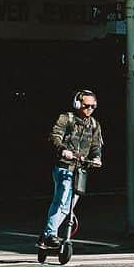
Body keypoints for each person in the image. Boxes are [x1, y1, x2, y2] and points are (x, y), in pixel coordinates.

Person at [40, 89, 103, 245]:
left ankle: (46, 235)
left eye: (93, 106)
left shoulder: (94, 124)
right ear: (77, 104)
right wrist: (63, 150)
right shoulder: (66, 118)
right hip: (64, 167)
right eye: (86, 105)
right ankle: (50, 235)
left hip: (80, 169)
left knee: (70, 205)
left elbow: (96, 145)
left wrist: (97, 158)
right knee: (61, 200)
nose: (89, 109)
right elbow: (55, 136)